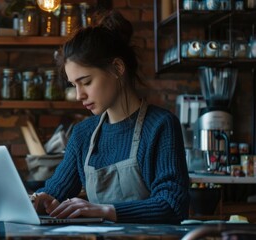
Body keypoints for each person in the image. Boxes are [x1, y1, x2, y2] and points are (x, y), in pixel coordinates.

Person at [32, 10, 190, 224]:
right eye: (74, 85)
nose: (79, 95)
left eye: (86, 82)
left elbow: (172, 205)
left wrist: (104, 211)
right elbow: (54, 191)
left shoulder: (160, 126)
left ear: (117, 68)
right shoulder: (83, 134)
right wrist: (41, 199)